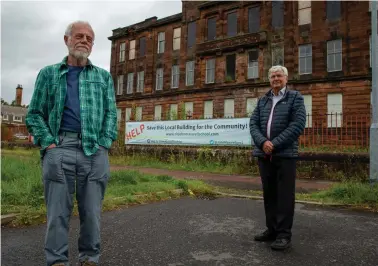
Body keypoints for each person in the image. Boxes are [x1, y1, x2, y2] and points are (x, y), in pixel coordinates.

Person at [26, 21, 118, 266]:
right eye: (79, 36)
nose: (84, 40)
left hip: (94, 151)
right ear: (66, 40)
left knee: (92, 213)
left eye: (89, 38)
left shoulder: (103, 77)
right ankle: (57, 260)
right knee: (57, 213)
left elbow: (111, 113)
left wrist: (104, 144)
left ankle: (89, 258)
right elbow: (34, 113)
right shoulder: (49, 74)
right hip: (60, 147)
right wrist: (49, 145)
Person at [249, 65, 306, 251]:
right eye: (272, 76)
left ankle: (283, 235)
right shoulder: (263, 100)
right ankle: (271, 229)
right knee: (269, 194)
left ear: (286, 78)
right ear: (269, 79)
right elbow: (253, 124)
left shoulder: (295, 98)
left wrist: (274, 143)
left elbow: (297, 125)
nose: (275, 79)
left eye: (279, 76)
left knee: (284, 196)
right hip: (264, 155)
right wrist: (263, 142)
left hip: (285, 154)